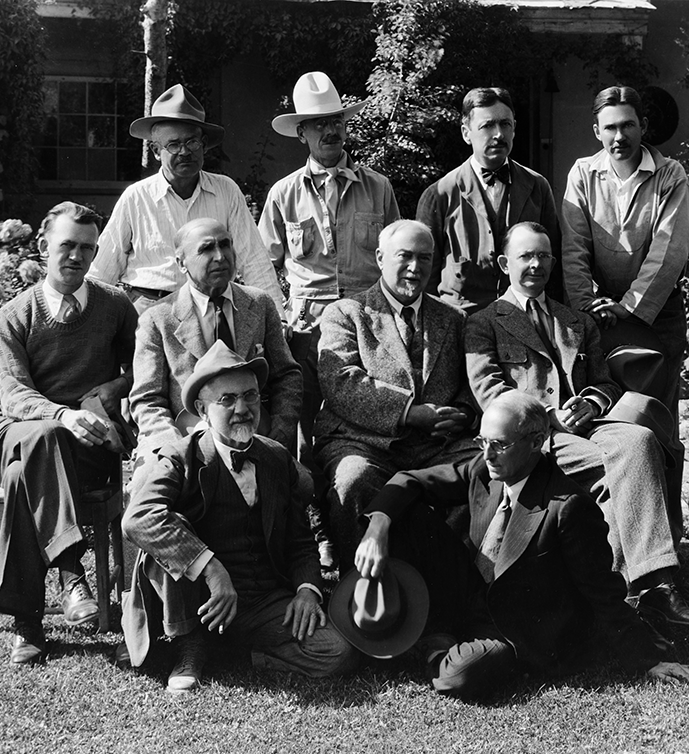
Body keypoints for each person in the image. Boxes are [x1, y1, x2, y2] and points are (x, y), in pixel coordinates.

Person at [354, 392, 689, 700]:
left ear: (536, 441)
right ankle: (434, 632)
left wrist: (650, 659)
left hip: (517, 628)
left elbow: (603, 592)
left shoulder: (567, 506)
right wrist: (378, 526)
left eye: (500, 445)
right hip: (474, 592)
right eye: (482, 442)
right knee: (401, 512)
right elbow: (408, 480)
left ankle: (431, 643)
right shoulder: (486, 467)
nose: (488, 454)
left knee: (461, 677)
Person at [465, 222, 689, 630]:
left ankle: (648, 586)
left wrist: (592, 403)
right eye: (526, 256)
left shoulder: (575, 320)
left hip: (587, 426)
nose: (536, 265)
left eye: (543, 256)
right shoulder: (484, 323)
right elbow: (490, 393)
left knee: (640, 439)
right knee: (623, 466)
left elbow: (605, 382)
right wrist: (547, 416)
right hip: (534, 438)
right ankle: (640, 593)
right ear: (506, 263)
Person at [121, 342, 356, 692]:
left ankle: (233, 653)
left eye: (250, 396)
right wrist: (213, 570)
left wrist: (308, 591)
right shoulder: (178, 457)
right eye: (226, 400)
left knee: (336, 651)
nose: (242, 409)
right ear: (202, 410)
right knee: (170, 528)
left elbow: (300, 540)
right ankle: (192, 644)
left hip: (263, 600)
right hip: (200, 599)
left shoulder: (276, 458)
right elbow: (137, 518)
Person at [0, 201, 137, 664]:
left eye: (87, 249)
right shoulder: (13, 315)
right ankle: (72, 576)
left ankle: (27, 624)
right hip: (20, 433)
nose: (76, 257)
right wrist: (62, 415)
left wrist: (114, 387)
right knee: (41, 437)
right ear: (43, 246)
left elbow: (144, 368)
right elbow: (13, 395)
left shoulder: (113, 305)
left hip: (88, 445)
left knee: (20, 482)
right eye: (66, 245)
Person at [561, 85, 689, 532]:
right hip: (597, 318)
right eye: (611, 127)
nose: (620, 136)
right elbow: (573, 248)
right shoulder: (582, 175)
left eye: (629, 125)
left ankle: (668, 535)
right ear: (597, 131)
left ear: (643, 128)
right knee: (608, 425)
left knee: (658, 425)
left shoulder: (670, 175)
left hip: (654, 317)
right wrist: (585, 305)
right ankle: (615, 534)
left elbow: (668, 252)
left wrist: (630, 306)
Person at [315, 220, 479, 566]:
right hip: (364, 442)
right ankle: (362, 595)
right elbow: (341, 381)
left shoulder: (453, 318)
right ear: (379, 257)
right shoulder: (347, 313)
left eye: (424, 258)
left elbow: (471, 382)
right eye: (404, 256)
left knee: (484, 470)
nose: (414, 268)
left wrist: (461, 414)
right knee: (353, 479)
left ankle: (450, 586)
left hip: (437, 446)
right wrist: (410, 412)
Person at [259, 71, 400, 460]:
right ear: (302, 133)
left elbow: (396, 261)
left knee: (368, 412)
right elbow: (262, 265)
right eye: (319, 124)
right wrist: (279, 321)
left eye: (337, 121)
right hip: (308, 326)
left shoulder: (378, 187)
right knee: (304, 418)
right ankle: (310, 508)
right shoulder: (284, 193)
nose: (330, 131)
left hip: (368, 321)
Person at [90, 84, 284, 316]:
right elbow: (103, 269)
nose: (185, 152)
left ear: (203, 144)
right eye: (173, 144)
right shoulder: (137, 197)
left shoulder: (226, 191)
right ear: (154, 150)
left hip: (213, 311)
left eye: (192, 142)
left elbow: (253, 260)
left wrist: (277, 319)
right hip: (150, 309)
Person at [130, 218, 301, 459]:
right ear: (181, 263)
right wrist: (176, 449)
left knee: (301, 486)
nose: (221, 256)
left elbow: (287, 376)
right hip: (185, 438)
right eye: (206, 249)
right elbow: (147, 399)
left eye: (225, 245)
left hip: (255, 435)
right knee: (148, 485)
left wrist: (279, 433)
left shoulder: (260, 304)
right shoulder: (158, 319)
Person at [417, 87, 561, 315]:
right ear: (466, 133)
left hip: (523, 320)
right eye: (487, 126)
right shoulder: (440, 193)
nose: (498, 134)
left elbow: (554, 263)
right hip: (461, 321)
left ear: (514, 128)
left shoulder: (537, 187)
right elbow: (425, 275)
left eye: (505, 124)